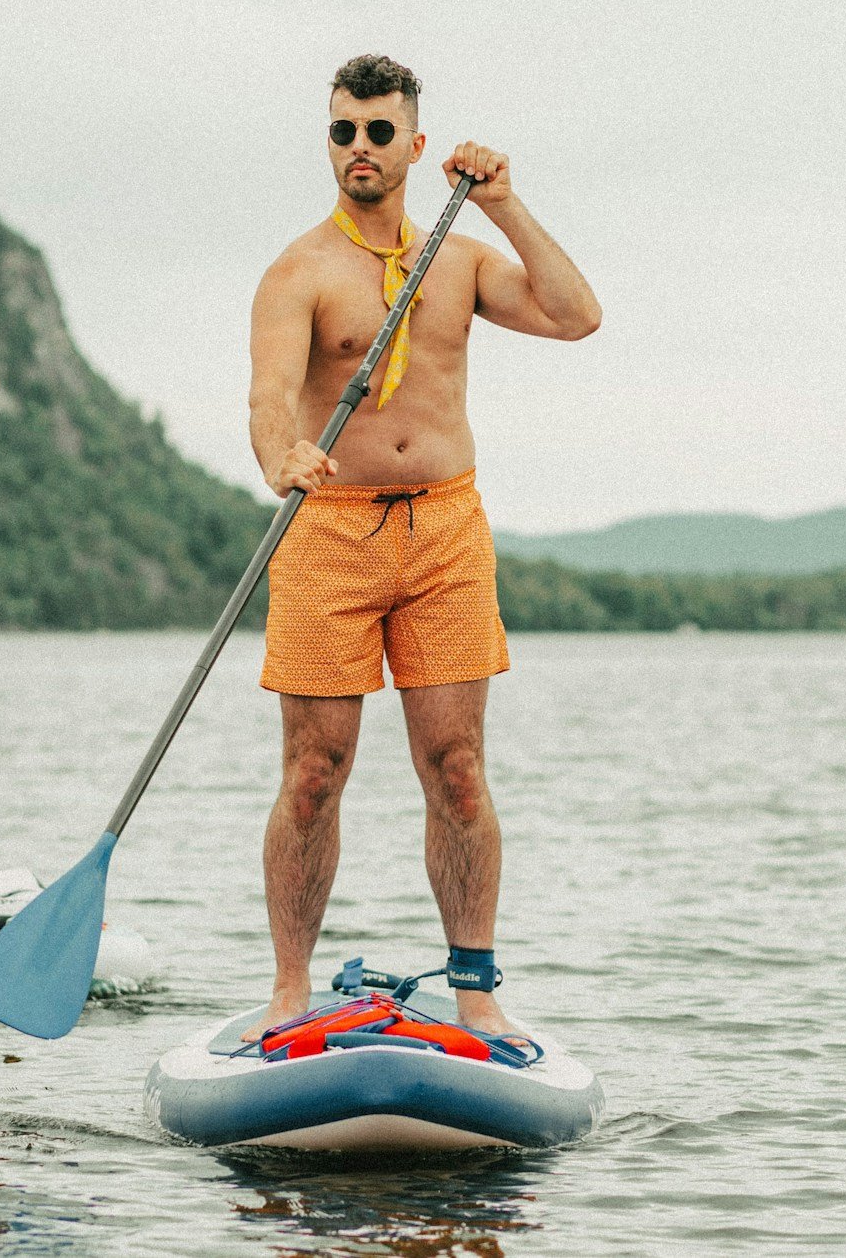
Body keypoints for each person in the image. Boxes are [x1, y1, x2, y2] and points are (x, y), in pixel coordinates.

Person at [244, 54, 601, 1037]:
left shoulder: (459, 255)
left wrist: (506, 203)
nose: (357, 147)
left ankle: (475, 983)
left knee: (455, 765)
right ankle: (288, 986)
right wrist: (282, 454)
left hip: (444, 528)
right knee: (314, 770)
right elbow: (269, 395)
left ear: (414, 143)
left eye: (375, 131)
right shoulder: (298, 270)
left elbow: (577, 315)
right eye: (340, 131)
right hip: (330, 529)